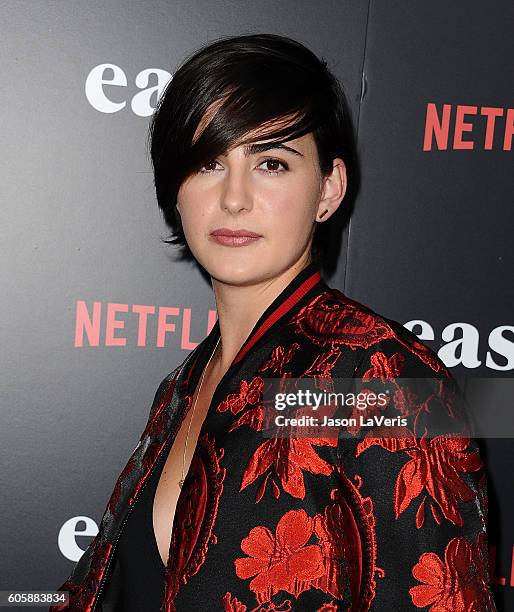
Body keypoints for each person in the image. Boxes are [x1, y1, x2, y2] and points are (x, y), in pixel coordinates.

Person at [50, 33, 496, 611]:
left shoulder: (375, 379)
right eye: (209, 162)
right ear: (174, 188)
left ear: (328, 189)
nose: (234, 198)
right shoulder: (183, 386)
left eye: (271, 163)